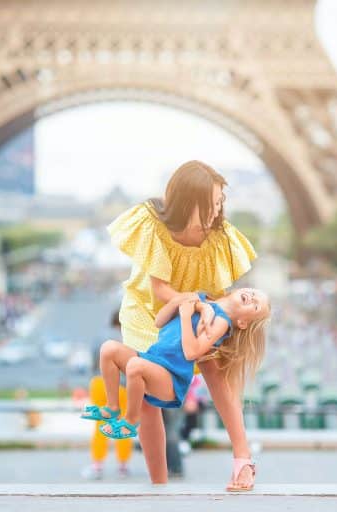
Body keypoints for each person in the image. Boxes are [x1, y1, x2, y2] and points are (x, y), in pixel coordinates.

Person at [106, 160, 258, 490]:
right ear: (189, 200)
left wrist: (211, 315)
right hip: (150, 313)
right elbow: (159, 289)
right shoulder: (154, 226)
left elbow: (219, 291)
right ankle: (159, 485)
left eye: (220, 202)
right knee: (146, 394)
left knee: (218, 372)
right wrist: (198, 305)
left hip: (199, 311)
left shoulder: (221, 237)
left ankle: (243, 460)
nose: (218, 210)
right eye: (212, 202)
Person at [82, 289, 269, 442]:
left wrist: (186, 316)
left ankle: (131, 421)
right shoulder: (199, 298)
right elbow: (159, 321)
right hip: (152, 359)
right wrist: (179, 303)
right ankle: (112, 407)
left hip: (171, 376)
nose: (253, 297)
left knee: (135, 366)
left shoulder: (221, 322)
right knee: (109, 348)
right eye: (253, 292)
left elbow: (191, 352)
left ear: (243, 322)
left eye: (256, 304)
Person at [83, 309, 133, 480]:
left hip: (99, 382)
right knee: (123, 423)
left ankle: (97, 465)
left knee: (99, 425)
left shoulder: (99, 336)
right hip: (122, 385)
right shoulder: (128, 337)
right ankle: (123, 466)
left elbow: (92, 360)